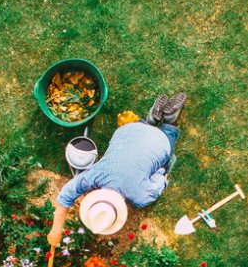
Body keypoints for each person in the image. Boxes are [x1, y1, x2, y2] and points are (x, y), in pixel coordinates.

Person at [47, 93, 185, 247]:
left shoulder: (141, 198)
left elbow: (162, 178)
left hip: (159, 141)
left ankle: (169, 120)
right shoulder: (94, 175)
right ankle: (150, 120)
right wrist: (55, 231)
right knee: (135, 144)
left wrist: (160, 174)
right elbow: (65, 196)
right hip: (129, 130)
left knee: (165, 161)